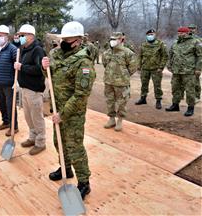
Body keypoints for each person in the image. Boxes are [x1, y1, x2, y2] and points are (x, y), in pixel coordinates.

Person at [42, 21, 96, 199]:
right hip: (57, 108)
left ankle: (84, 182)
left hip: (73, 113)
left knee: (75, 147)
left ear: (79, 40)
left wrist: (62, 114)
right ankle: (65, 169)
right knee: (59, 142)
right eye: (63, 38)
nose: (64, 41)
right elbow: (50, 75)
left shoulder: (84, 62)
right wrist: (44, 68)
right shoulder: (56, 53)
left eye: (69, 39)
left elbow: (81, 95)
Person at [14, 24, 46, 155]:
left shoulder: (37, 50)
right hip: (25, 88)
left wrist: (22, 67)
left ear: (31, 36)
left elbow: (39, 70)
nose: (20, 37)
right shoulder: (23, 49)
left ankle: (41, 142)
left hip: (34, 89)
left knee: (36, 117)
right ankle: (32, 138)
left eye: (22, 35)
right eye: (20, 35)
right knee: (28, 116)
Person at [102, 32, 138, 131]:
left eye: (115, 39)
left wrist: (123, 75)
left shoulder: (128, 53)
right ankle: (111, 119)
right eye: (111, 39)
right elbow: (105, 64)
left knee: (122, 102)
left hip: (121, 83)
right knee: (109, 101)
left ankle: (120, 120)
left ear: (121, 40)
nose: (112, 41)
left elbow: (133, 67)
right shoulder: (107, 53)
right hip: (109, 81)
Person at [0, 25, 19, 135]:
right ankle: (5, 122)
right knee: (2, 104)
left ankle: (14, 126)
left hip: (9, 83)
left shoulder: (13, 49)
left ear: (7, 36)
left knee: (10, 105)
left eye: (1, 35)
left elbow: (17, 65)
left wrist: (17, 81)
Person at [166, 27, 201, 116]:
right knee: (175, 88)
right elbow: (171, 55)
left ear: (186, 33)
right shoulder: (175, 43)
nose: (180, 34)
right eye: (179, 33)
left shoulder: (195, 42)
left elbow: (200, 56)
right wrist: (169, 65)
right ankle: (175, 105)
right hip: (176, 70)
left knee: (190, 90)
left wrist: (198, 68)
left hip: (189, 70)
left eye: (182, 33)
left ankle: (190, 108)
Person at [135, 29, 168, 109]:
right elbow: (139, 56)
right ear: (146, 35)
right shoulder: (143, 44)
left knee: (157, 85)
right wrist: (138, 66)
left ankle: (158, 100)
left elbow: (165, 56)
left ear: (155, 35)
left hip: (156, 69)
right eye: (149, 34)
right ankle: (143, 98)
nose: (150, 36)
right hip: (145, 68)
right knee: (144, 84)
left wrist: (161, 67)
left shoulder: (160, 44)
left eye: (152, 34)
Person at [188, 24, 201, 103]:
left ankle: (197, 96)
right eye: (189, 28)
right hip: (187, 64)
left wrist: (199, 67)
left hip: (196, 64)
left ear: (195, 29)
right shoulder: (185, 39)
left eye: (193, 28)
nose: (191, 30)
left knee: (196, 81)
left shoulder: (199, 39)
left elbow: (200, 54)